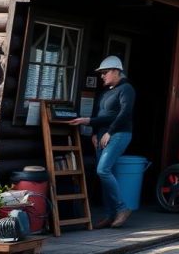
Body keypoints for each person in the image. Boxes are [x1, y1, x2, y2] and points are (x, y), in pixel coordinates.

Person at [68, 56, 136, 229]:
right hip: (102, 136)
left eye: (105, 73)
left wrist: (109, 131)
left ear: (116, 71)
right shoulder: (106, 92)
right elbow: (101, 114)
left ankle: (122, 208)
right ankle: (110, 215)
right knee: (104, 174)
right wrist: (94, 132)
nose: (102, 76)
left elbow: (124, 114)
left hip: (119, 134)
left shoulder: (126, 89)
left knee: (103, 170)